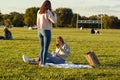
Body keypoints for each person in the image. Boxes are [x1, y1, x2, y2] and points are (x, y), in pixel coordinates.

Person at [36, 0, 57, 67]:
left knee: (41, 48)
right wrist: (55, 14)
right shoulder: (48, 12)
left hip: (39, 30)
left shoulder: (39, 11)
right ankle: (43, 63)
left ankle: (40, 62)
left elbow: (37, 21)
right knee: (45, 48)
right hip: (46, 30)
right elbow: (54, 21)